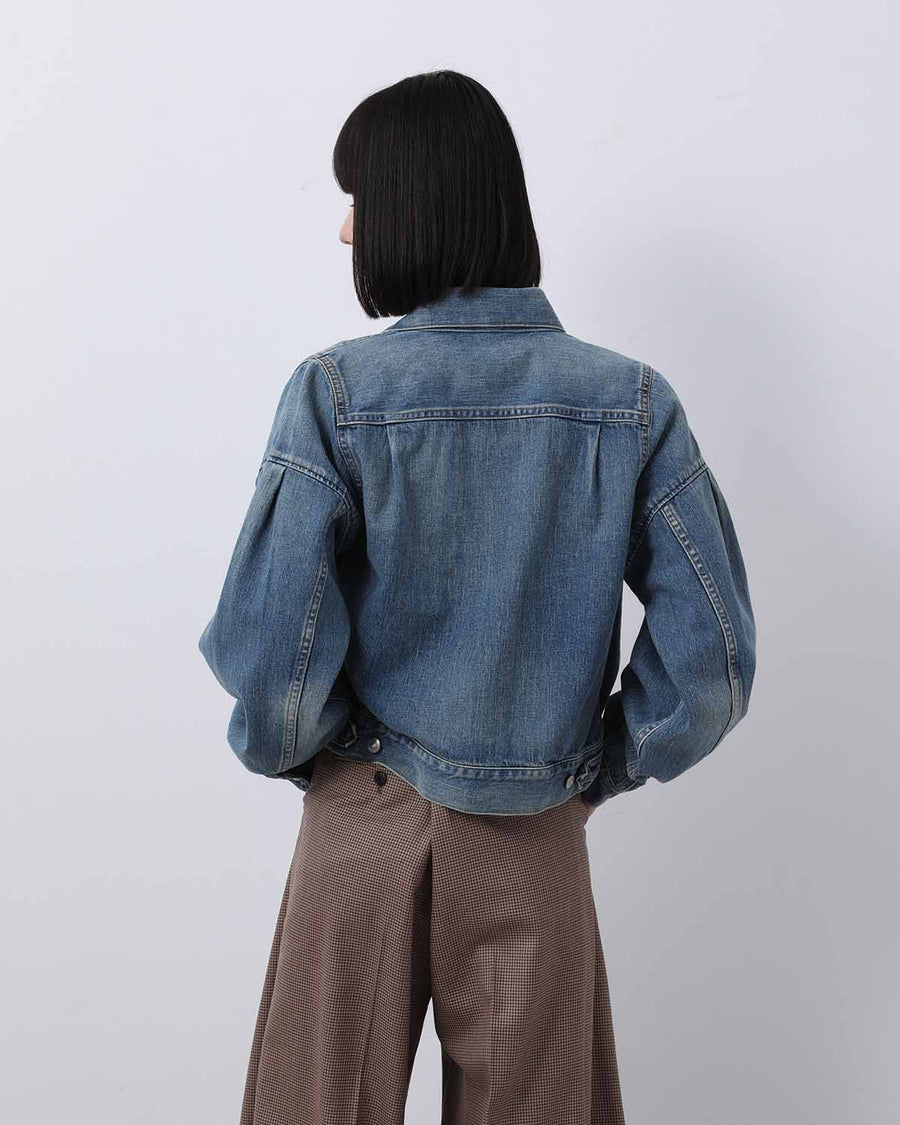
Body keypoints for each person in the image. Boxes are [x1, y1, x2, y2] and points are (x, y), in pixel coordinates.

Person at [198, 69, 756, 1125]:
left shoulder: (335, 395)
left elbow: (274, 657)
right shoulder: (631, 403)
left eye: (359, 198)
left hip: (360, 818)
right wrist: (591, 769)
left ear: (414, 206)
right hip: (534, 832)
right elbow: (714, 666)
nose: (347, 229)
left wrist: (306, 752)